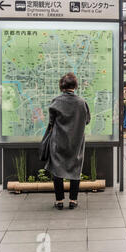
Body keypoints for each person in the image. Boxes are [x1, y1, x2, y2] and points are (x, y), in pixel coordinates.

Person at [45, 73, 91, 210]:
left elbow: (51, 122)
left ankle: (59, 200)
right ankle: (73, 200)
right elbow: (87, 120)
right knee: (75, 168)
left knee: (57, 170)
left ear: (62, 86)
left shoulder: (56, 101)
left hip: (58, 141)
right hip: (76, 141)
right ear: (75, 86)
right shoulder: (82, 102)